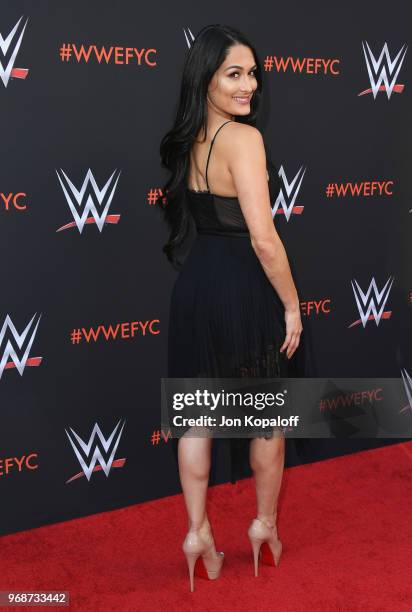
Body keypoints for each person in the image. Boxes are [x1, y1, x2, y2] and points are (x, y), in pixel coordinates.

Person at [158, 24, 303, 592]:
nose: (250, 86)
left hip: (197, 287)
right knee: (266, 420)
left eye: (252, 73)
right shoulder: (244, 140)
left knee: (196, 419)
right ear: (207, 79)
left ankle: (197, 535)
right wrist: (291, 305)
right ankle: (263, 526)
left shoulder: (191, 136)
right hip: (243, 289)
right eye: (234, 74)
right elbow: (265, 240)